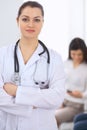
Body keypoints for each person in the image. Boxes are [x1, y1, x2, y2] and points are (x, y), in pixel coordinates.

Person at [0, 1, 66, 130]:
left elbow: (57, 97)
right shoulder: (2, 54)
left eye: (36, 20)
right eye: (25, 19)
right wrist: (34, 104)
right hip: (9, 125)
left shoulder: (54, 58)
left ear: (42, 23)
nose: (31, 24)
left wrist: (16, 92)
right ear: (17, 20)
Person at [55, 37, 87, 128]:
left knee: (54, 117)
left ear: (84, 53)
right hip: (63, 100)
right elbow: (59, 84)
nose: (76, 57)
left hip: (76, 106)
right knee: (45, 114)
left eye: (79, 54)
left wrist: (81, 95)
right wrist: (59, 100)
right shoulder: (66, 63)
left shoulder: (85, 68)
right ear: (69, 52)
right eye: (73, 54)